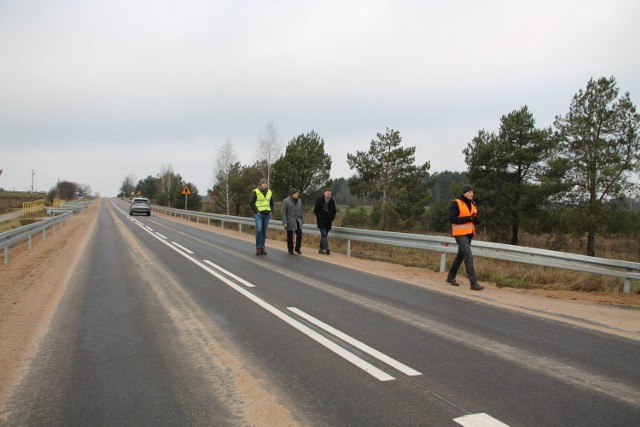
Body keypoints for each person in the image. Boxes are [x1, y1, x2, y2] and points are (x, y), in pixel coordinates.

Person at [446, 184, 484, 291]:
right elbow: (452, 219)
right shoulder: (456, 203)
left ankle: (450, 277)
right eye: (470, 192)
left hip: (469, 233)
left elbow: (472, 219)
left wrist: (476, 220)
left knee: (460, 257)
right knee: (468, 255)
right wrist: (469, 218)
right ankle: (473, 282)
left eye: (472, 192)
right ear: (464, 193)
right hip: (459, 234)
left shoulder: (473, 203)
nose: (472, 194)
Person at [249, 178, 274, 255]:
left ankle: (262, 247)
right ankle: (258, 247)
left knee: (264, 231)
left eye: (266, 183)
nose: (265, 184)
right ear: (260, 184)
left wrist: (271, 211)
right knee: (259, 230)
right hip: (259, 214)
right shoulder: (256, 192)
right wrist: (256, 211)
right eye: (263, 183)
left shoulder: (269, 192)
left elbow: (272, 203)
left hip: (267, 215)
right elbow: (251, 202)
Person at [313, 188, 336, 255]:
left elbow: (334, 211)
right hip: (321, 221)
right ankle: (327, 248)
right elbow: (315, 210)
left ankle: (321, 249)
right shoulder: (319, 201)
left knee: (325, 235)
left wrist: (332, 218)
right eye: (328, 193)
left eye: (330, 194)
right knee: (324, 234)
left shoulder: (332, 201)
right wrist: (319, 217)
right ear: (324, 193)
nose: (329, 195)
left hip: (328, 222)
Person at [282, 188, 304, 254]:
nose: (296, 195)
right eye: (295, 194)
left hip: (298, 220)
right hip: (290, 220)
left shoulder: (299, 200)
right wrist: (285, 222)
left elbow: (301, 210)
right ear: (292, 194)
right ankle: (290, 249)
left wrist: (302, 220)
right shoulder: (286, 201)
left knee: (299, 234)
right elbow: (283, 212)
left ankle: (297, 248)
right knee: (290, 235)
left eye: (297, 193)